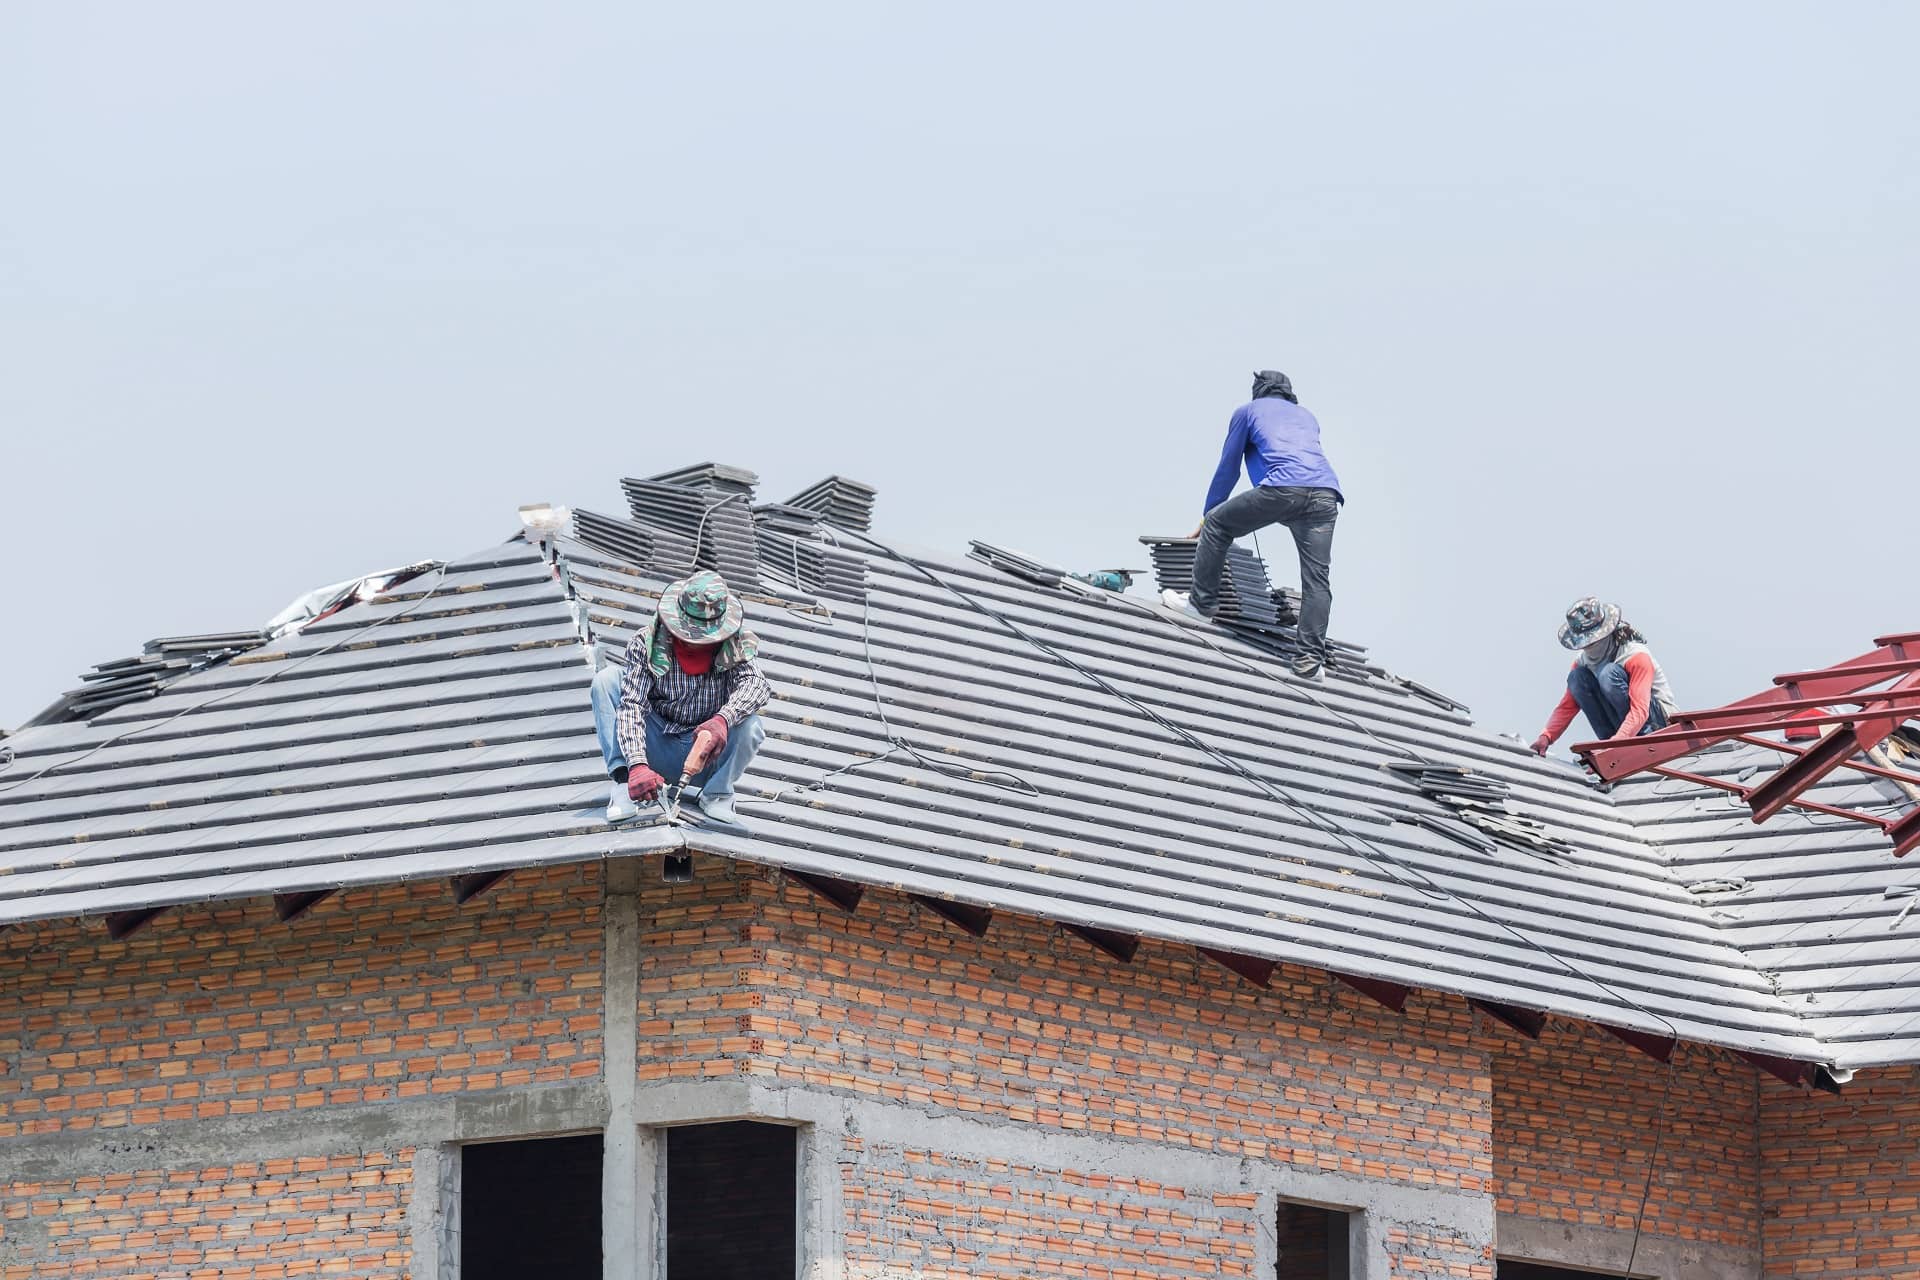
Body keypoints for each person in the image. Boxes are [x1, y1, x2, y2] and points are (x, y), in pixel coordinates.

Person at [1161, 370, 1343, 680]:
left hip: (1285, 490)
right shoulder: (1307, 416)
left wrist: (1207, 517)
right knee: (1316, 579)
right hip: (1326, 495)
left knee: (1220, 524)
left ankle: (1201, 604)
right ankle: (1310, 661)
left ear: (1258, 391)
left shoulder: (1247, 412)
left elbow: (1228, 469)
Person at [589, 570, 772, 834]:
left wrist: (723, 719)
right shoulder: (646, 643)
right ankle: (625, 783)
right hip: (651, 745)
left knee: (751, 725)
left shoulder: (734, 645)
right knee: (606, 680)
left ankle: (717, 794)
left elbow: (757, 685)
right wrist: (638, 765)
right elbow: (633, 706)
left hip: (706, 753)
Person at [1531, 597, 1678, 756]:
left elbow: (1640, 710)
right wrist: (1546, 736)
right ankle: (1612, 741)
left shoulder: (1635, 656)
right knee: (1577, 677)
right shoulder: (1583, 663)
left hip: (1656, 724)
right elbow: (1567, 706)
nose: (1589, 647)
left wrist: (1617, 743)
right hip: (1622, 732)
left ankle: (1631, 741)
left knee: (1608, 674)